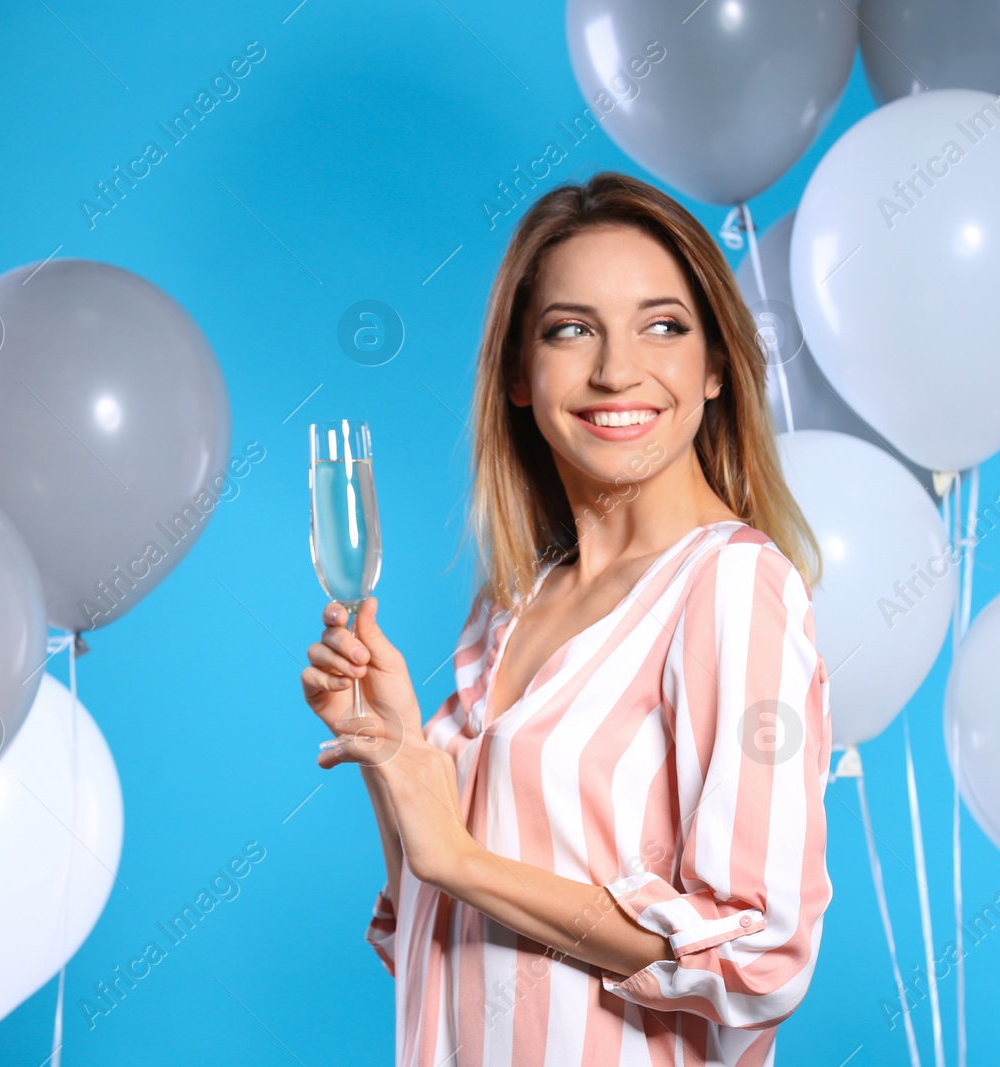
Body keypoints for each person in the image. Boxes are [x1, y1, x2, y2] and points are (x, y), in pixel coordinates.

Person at [301, 171, 832, 1067]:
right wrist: (389, 757)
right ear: (517, 372)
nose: (617, 369)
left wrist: (459, 860)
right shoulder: (512, 602)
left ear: (713, 369)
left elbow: (757, 953)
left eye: (663, 325)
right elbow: (439, 938)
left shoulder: (734, 588)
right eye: (571, 329)